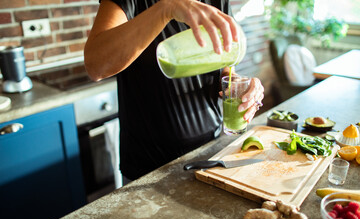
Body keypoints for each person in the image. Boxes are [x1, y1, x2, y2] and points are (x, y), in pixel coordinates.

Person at [84, 0, 264, 184]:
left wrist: (238, 85)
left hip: (210, 154)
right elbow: (95, 66)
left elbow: (224, 66)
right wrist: (166, 9)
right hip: (149, 170)